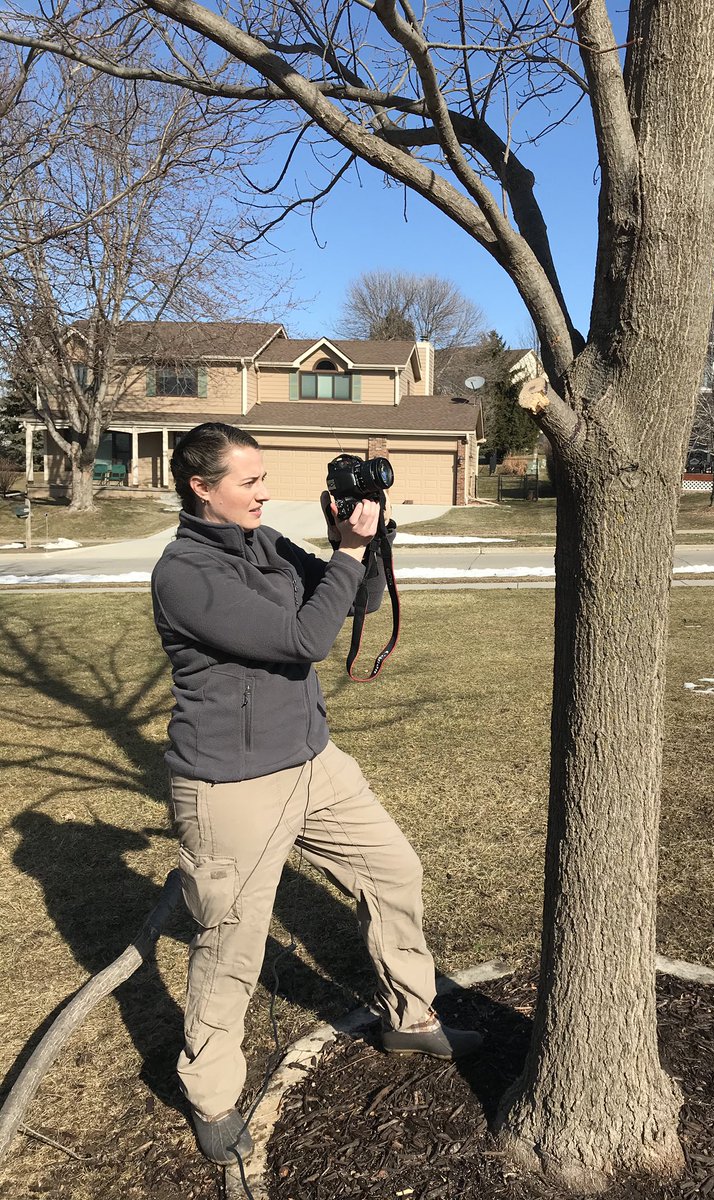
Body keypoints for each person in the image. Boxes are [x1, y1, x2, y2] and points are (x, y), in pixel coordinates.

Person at [151, 422, 481, 1166]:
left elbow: (351, 601)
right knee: (231, 944)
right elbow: (302, 639)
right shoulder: (186, 574)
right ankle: (210, 1094)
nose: (265, 492)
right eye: (249, 482)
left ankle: (410, 1014)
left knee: (394, 870)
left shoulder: (261, 544)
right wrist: (346, 554)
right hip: (231, 786)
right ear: (202, 488)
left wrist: (366, 540)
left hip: (309, 761)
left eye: (265, 478)